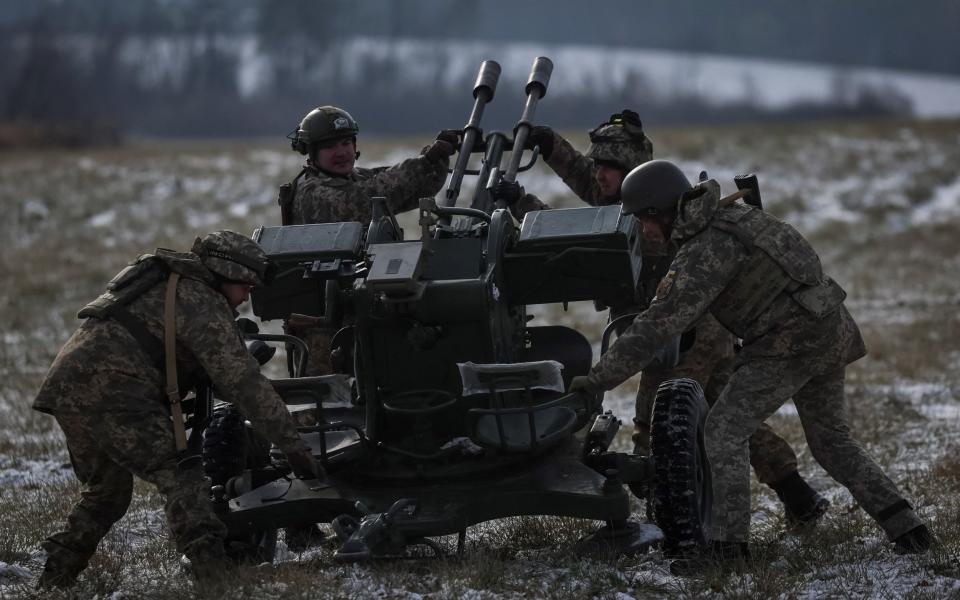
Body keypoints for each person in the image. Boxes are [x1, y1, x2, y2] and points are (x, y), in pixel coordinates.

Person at [569, 160, 933, 572]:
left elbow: (656, 326)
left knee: (723, 432)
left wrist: (596, 380)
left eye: (643, 221)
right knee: (832, 442)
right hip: (830, 327)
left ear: (661, 212)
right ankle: (910, 531)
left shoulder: (705, 250)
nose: (644, 232)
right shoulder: (731, 218)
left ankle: (728, 552)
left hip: (789, 342)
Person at [497, 112, 827, 524]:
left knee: (657, 424)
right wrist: (550, 146)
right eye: (596, 166)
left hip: (684, 333)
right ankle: (798, 494)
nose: (597, 175)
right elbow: (589, 179)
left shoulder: (646, 223)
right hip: (696, 328)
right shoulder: (638, 200)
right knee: (724, 414)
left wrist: (521, 204)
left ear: (633, 174)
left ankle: (667, 517)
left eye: (608, 169)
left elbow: (573, 240)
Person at [32, 230, 322, 590]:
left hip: (69, 387)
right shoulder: (200, 300)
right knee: (182, 477)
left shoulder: (171, 284)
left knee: (107, 494)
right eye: (245, 285)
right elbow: (243, 383)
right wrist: (293, 447)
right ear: (224, 273)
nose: (248, 296)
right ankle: (216, 579)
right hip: (114, 390)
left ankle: (54, 579)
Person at [281, 105, 456, 375]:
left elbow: (417, 187)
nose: (341, 152)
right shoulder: (312, 192)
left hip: (366, 310)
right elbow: (365, 199)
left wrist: (436, 159)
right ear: (311, 152)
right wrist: (422, 162)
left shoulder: (354, 178)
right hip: (327, 330)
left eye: (346, 142)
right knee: (332, 408)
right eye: (330, 147)